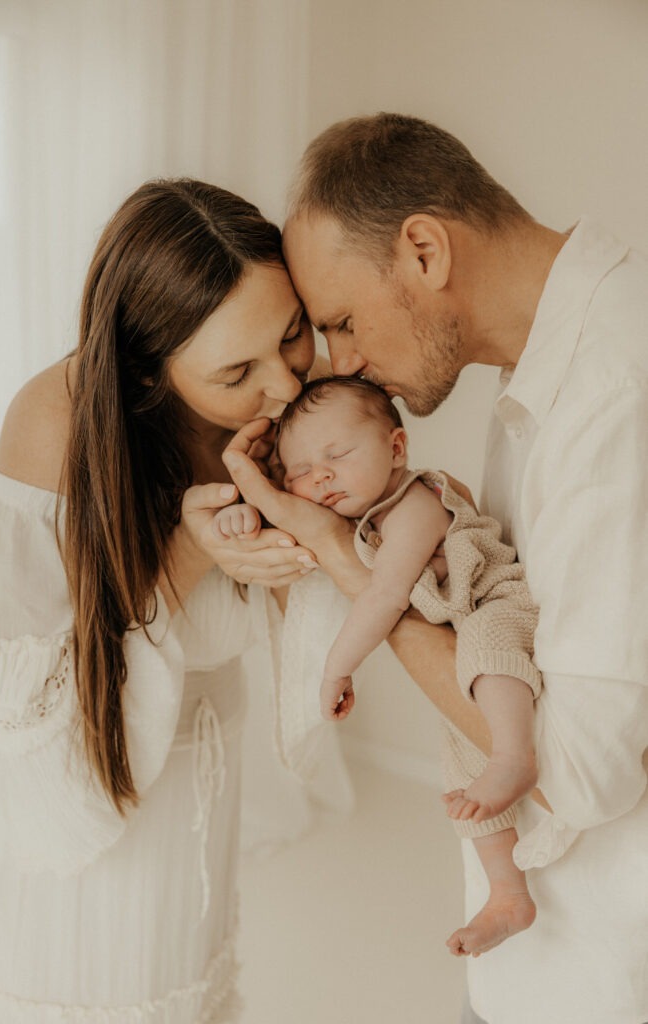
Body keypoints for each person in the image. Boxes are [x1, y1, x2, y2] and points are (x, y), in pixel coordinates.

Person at [220, 114, 648, 1024]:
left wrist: (342, 558)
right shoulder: (543, 360)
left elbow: (578, 774)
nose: (343, 364)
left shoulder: (615, 393)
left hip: (602, 968)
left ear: (422, 249)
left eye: (340, 321)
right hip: (541, 945)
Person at [0, 177, 362, 1023]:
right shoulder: (54, 424)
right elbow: (29, 699)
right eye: (235, 371)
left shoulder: (283, 406)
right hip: (89, 800)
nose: (286, 387)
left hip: (202, 773)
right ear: (149, 369)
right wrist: (187, 550)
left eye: (291, 334)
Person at [215, 373, 541, 956]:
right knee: (460, 765)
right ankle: (507, 893)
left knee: (490, 658)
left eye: (337, 454)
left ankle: (517, 757)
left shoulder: (416, 501)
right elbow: (285, 526)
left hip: (497, 604)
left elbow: (385, 595)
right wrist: (244, 511)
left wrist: (336, 669)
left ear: (396, 448)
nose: (321, 476)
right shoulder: (355, 519)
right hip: (461, 640)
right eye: (301, 471)